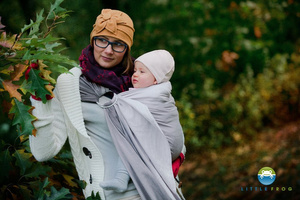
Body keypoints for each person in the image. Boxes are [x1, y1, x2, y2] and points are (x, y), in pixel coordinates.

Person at [29, 9, 141, 200]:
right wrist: (40, 100)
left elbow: (168, 130)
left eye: (118, 44)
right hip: (108, 193)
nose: (108, 50)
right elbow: (43, 152)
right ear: (92, 40)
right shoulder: (70, 83)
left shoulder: (142, 78)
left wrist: (174, 163)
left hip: (153, 187)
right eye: (102, 40)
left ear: (127, 49)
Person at [96, 50, 186, 199]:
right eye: (135, 70)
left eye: (142, 72)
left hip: (166, 146)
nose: (135, 75)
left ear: (156, 79)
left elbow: (120, 102)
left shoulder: (152, 95)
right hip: (177, 146)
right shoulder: (161, 91)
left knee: (130, 140)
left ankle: (121, 178)